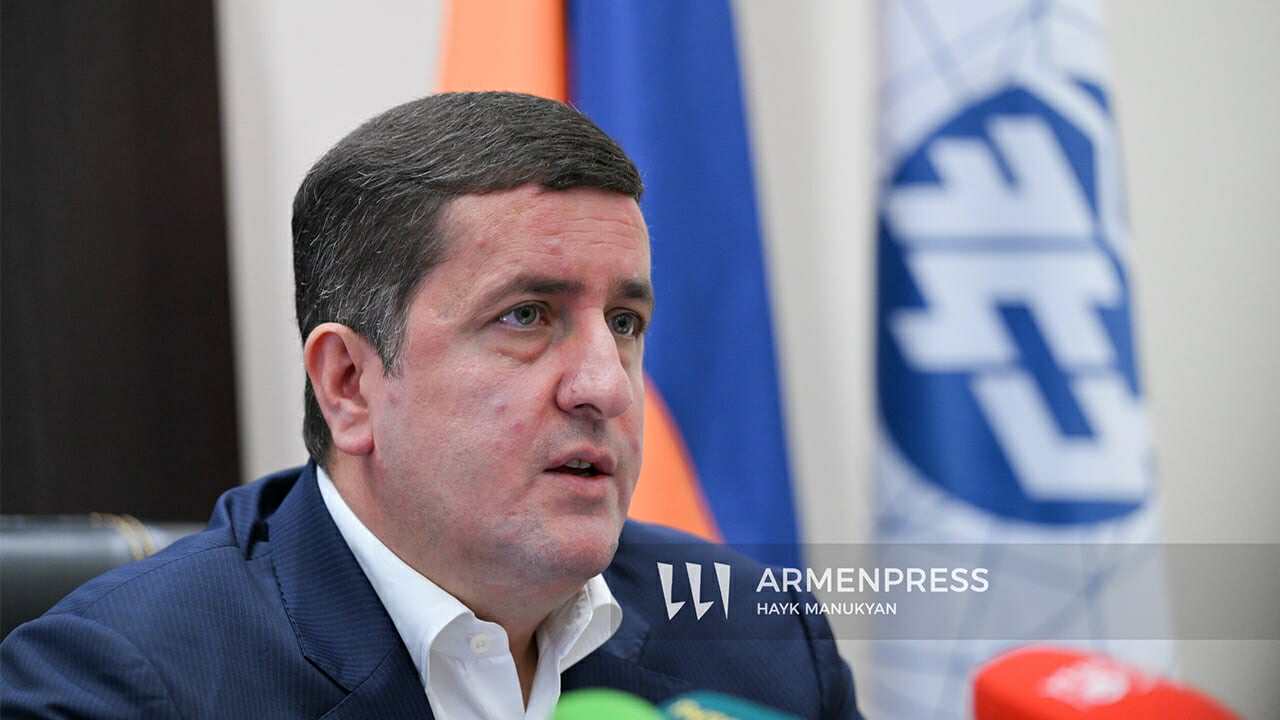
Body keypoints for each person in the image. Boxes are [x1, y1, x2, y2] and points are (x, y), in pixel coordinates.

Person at [1, 92, 861, 719]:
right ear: (349, 384)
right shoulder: (122, 685)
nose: (606, 385)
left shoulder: (756, 640)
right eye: (527, 316)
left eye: (625, 322)